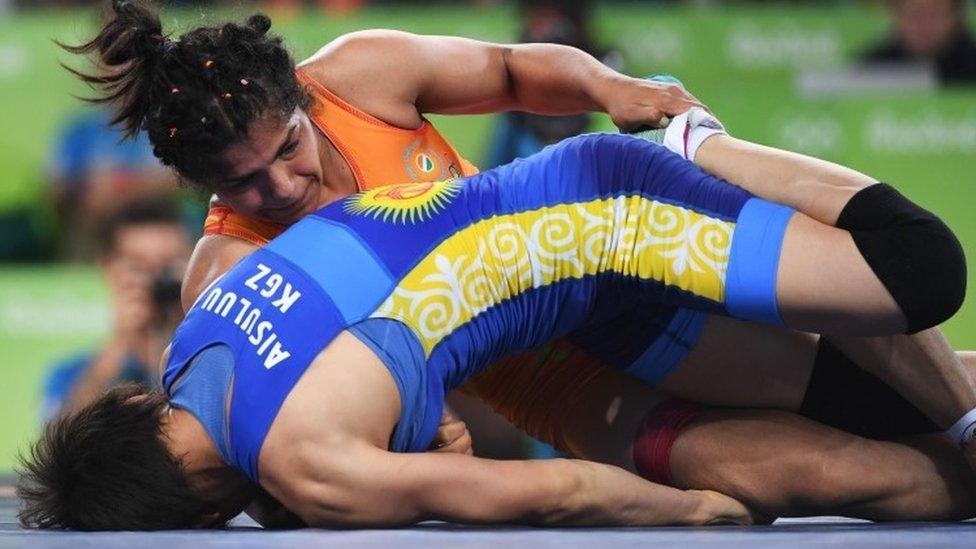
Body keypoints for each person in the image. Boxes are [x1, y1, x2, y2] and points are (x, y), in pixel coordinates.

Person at [17, 129, 973, 530]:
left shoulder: (308, 467)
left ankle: (701, 142)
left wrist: (689, 514)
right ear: (139, 405)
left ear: (194, 510)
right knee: (870, 417)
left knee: (920, 271)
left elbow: (549, 491)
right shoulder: (196, 331)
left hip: (616, 214)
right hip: (582, 316)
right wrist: (421, 417)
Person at [40, 197, 190, 420]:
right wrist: (120, 345)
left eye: (168, 266)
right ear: (108, 268)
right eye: (140, 267)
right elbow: (59, 446)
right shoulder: (71, 374)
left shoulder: (216, 359)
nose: (157, 281)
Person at [862, 0, 976, 85]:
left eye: (934, 14)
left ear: (956, 16)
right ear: (895, 16)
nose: (924, 24)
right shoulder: (870, 69)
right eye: (914, 14)